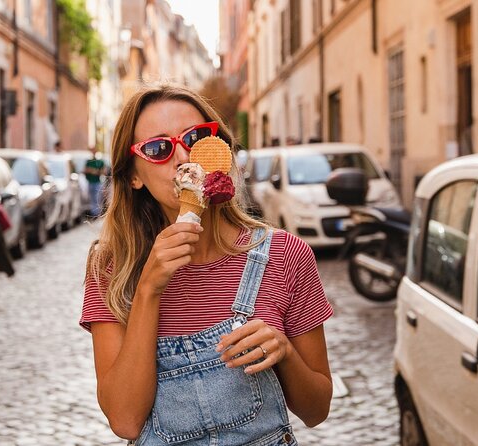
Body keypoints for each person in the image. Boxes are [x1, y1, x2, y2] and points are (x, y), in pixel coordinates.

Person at [80, 84, 333, 445]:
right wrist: (149, 287)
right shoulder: (111, 269)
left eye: (196, 137)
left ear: (220, 150)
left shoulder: (285, 255)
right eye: (157, 148)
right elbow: (124, 421)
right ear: (133, 176)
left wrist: (284, 352)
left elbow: (317, 409)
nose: (183, 157)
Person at [84, 147, 105, 217]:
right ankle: (93, 213)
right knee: (91, 198)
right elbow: (85, 170)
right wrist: (93, 171)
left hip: (97, 182)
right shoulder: (88, 161)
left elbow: (103, 171)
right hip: (90, 182)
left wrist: (93, 171)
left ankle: (97, 213)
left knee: (97, 198)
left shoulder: (100, 161)